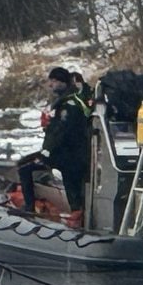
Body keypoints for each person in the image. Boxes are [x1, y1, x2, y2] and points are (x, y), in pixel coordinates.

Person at [41, 65, 92, 227]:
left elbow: (62, 132)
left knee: (72, 182)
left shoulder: (69, 104)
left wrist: (47, 151)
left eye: (55, 81)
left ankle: (77, 215)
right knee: (72, 182)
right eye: (51, 81)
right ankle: (77, 212)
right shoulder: (66, 102)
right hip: (72, 152)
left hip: (72, 153)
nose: (51, 85)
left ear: (63, 82)